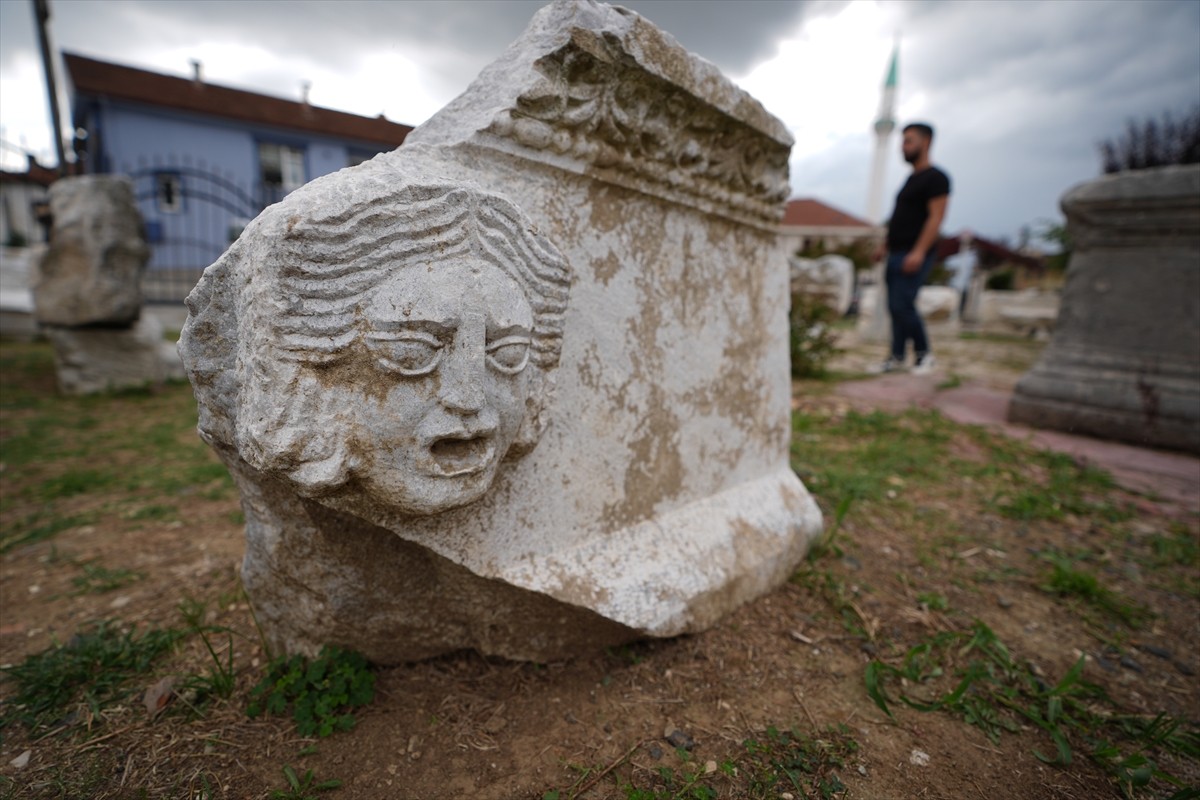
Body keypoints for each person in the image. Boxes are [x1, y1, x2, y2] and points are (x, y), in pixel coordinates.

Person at [874, 122, 951, 375]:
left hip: (913, 252)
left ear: (925, 142)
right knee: (895, 307)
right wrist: (885, 245)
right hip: (896, 252)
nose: (903, 147)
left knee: (903, 304)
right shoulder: (910, 180)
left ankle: (923, 354)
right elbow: (899, 217)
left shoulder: (936, 178)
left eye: (908, 141)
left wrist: (918, 251)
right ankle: (896, 356)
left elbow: (936, 217)